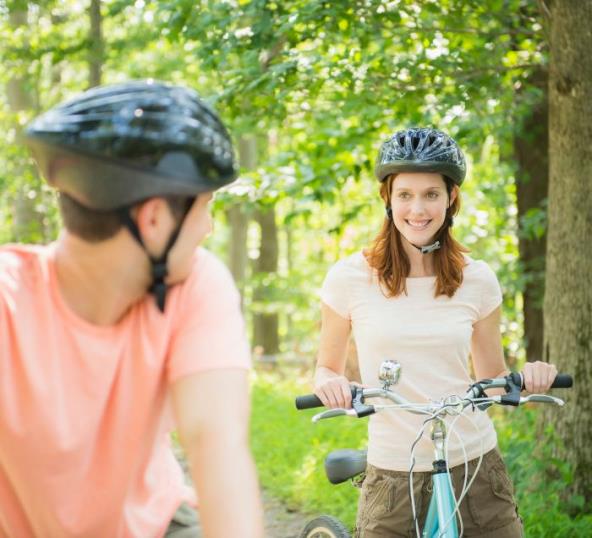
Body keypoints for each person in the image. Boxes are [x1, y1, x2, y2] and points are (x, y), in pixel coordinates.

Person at [0, 81, 264, 538]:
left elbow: (216, 445)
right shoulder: (8, 300)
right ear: (154, 218)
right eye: (205, 208)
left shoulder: (197, 285)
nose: (207, 228)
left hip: (154, 525)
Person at [313, 128, 558, 538]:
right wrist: (331, 384)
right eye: (405, 194)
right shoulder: (350, 278)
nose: (417, 209)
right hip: (394, 475)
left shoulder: (477, 279)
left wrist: (529, 376)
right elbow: (326, 368)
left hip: (474, 467)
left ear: (451, 198)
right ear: (388, 199)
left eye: (431, 194)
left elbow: (493, 378)